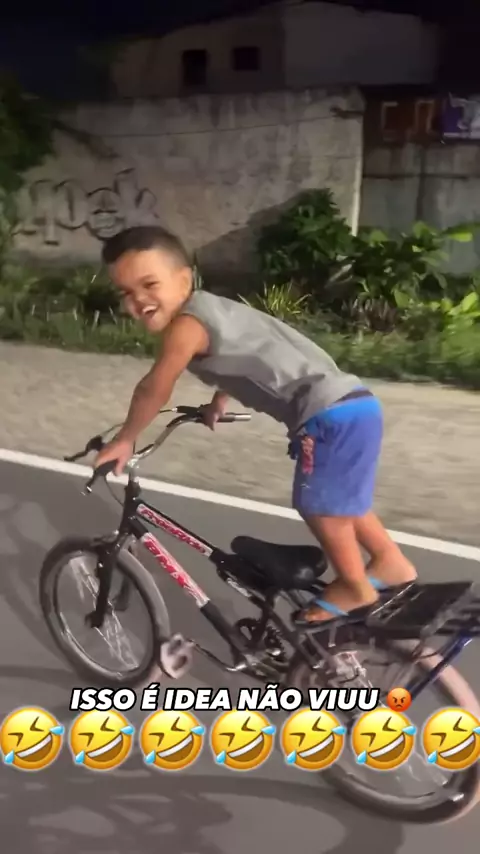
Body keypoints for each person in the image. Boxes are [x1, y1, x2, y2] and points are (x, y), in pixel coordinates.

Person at [94, 225, 416, 623]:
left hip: (325, 415)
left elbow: (154, 387)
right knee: (342, 498)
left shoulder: (186, 327)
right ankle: (388, 560)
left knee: (319, 505)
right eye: (126, 292)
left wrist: (125, 439)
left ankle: (354, 585)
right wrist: (219, 401)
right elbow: (252, 354)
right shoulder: (215, 309)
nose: (138, 300)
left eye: (149, 284)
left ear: (184, 280)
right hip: (356, 405)